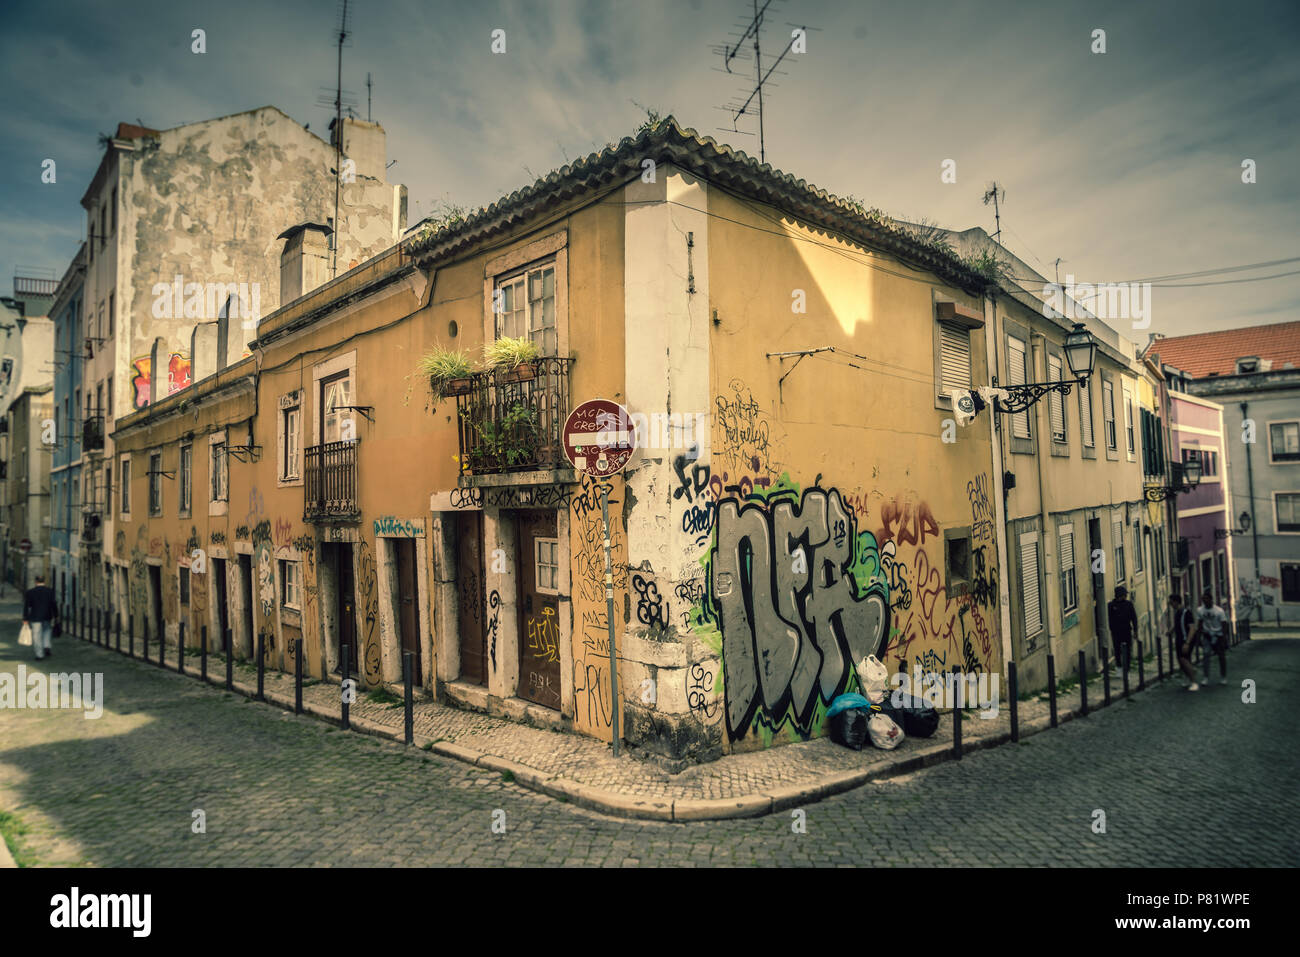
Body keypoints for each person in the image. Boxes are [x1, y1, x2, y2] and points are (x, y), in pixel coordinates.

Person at [1190, 588, 1229, 685]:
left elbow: (1224, 624)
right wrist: (1198, 638)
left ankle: (1223, 676)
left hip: (1218, 635)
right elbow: (1199, 624)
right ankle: (1206, 677)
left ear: (1211, 600)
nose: (1204, 601)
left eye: (1206, 599)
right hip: (1207, 635)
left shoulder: (1219, 611)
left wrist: (1224, 637)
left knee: (1221, 656)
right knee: (1206, 656)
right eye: (1203, 599)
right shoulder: (1200, 610)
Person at [22, 573, 59, 661]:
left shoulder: (30, 592)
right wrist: (56, 615)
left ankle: (39, 654)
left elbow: (27, 606)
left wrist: (25, 618)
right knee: (47, 631)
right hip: (47, 615)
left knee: (36, 635)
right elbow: (53, 604)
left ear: (36, 581)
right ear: (44, 581)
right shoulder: (50, 591)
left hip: (35, 616)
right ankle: (46, 646)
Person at [1168, 593, 1199, 691]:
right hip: (1179, 639)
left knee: (1184, 660)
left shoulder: (1187, 613)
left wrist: (1187, 643)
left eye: (1171, 602)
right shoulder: (1178, 612)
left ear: (1176, 602)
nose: (1170, 605)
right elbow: (1177, 624)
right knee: (1182, 660)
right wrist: (1171, 631)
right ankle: (1188, 678)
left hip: (1186, 639)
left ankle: (1194, 682)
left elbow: (1192, 628)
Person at [1106, 584, 1138, 672]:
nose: (1126, 596)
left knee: (1128, 650)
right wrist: (1112, 628)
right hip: (1116, 632)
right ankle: (1119, 668)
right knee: (1117, 650)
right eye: (1124, 594)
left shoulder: (1129, 604)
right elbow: (1109, 619)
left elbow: (1134, 618)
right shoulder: (1111, 605)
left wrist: (1135, 631)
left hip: (1127, 630)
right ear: (1119, 595)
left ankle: (1127, 668)